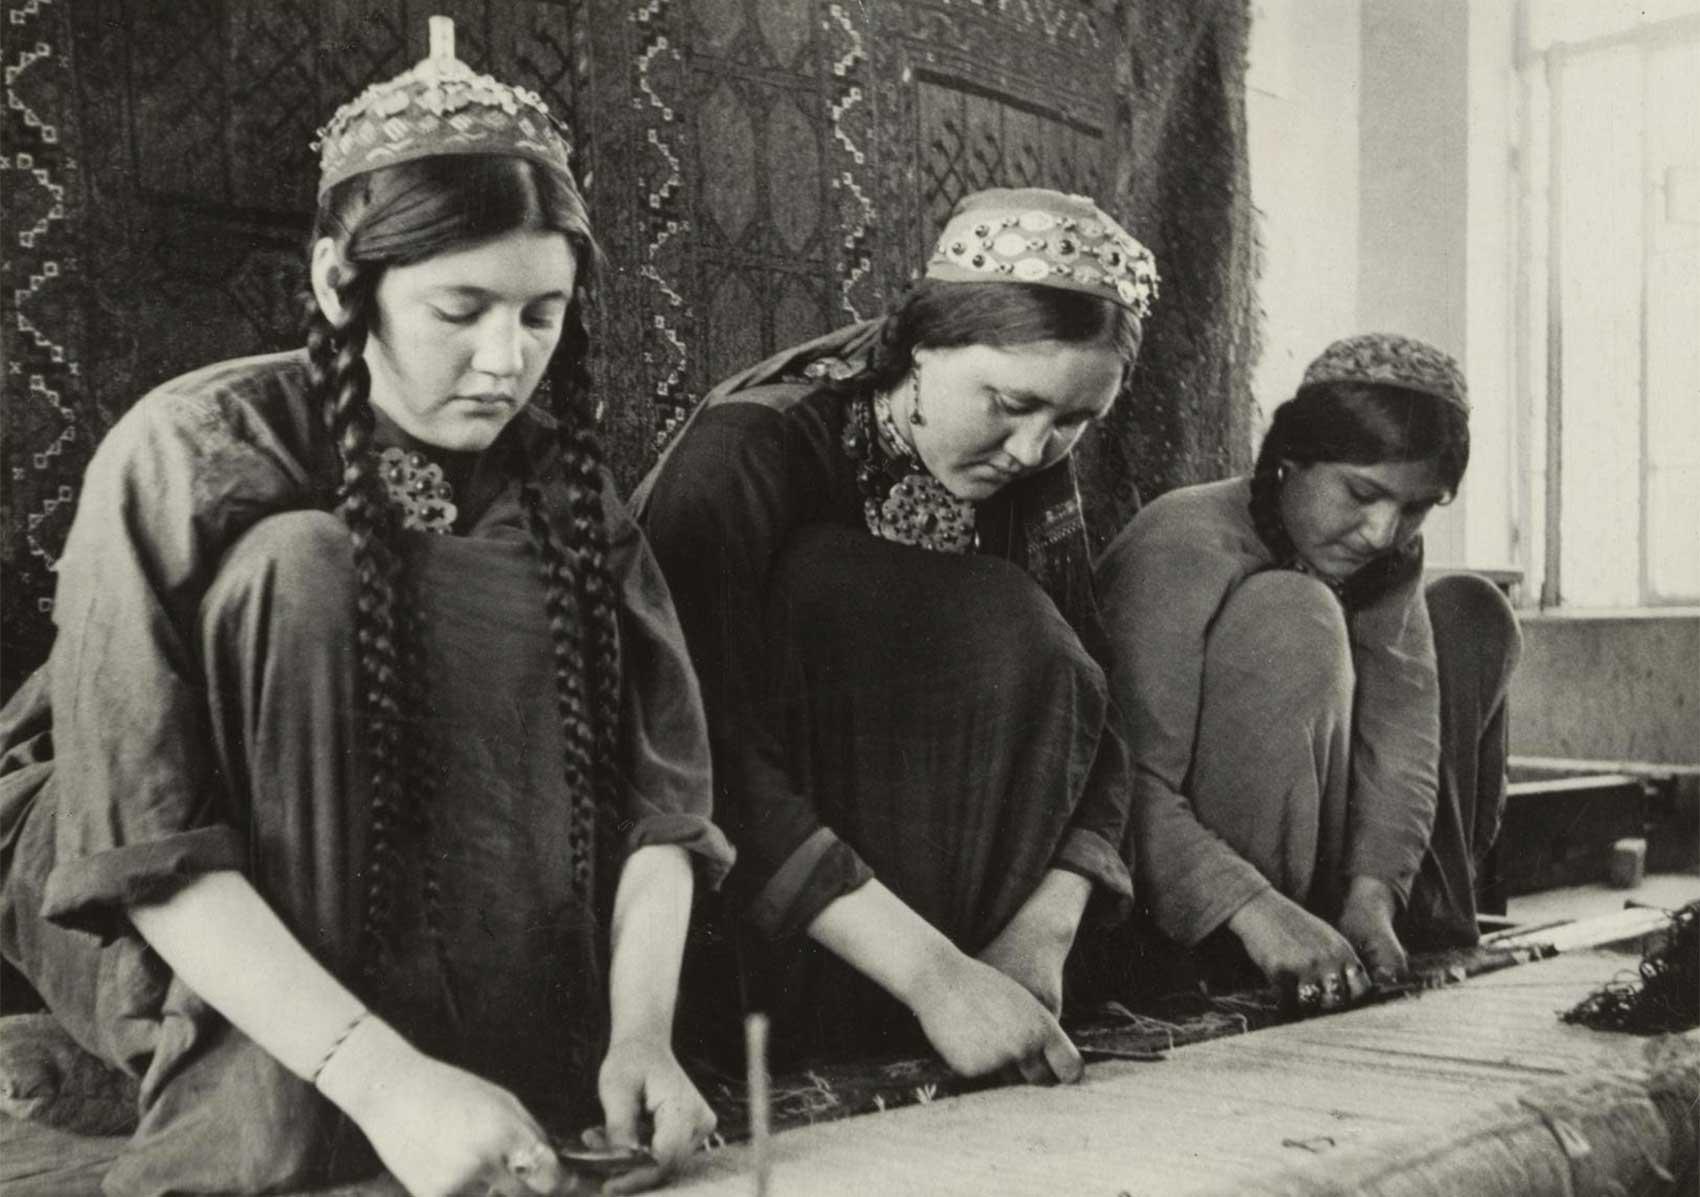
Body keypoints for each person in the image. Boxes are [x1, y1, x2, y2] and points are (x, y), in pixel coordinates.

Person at [0, 20, 734, 1197]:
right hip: (147, 881)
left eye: (541, 314)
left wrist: (637, 1036)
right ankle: (211, 1067)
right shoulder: (188, 446)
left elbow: (661, 804)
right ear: (343, 284)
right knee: (303, 568)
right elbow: (136, 824)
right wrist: (381, 1080)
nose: (506, 359)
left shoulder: (562, 484)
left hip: (446, 868)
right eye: (460, 311)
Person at [633, 188, 1158, 1082]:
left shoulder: (1029, 470)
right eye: (1008, 401)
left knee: (1030, 633)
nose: (1034, 450)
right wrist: (933, 977)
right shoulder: (749, 452)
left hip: (967, 935)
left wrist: (1044, 924)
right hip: (748, 920)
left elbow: (1091, 702)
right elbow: (700, 752)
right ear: (920, 343)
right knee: (863, 587)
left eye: (1075, 421)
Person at [1095, 333, 1521, 1012]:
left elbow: (1402, 731)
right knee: (1294, 613)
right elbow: (1122, 786)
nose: (1383, 531)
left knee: (1473, 611)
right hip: (1188, 904)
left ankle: (1402, 929)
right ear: (1290, 458)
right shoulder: (1181, 541)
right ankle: (1239, 966)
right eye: (1361, 492)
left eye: (1415, 506)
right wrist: (1255, 910)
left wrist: (1373, 894)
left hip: (1323, 875)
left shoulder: (1384, 551)